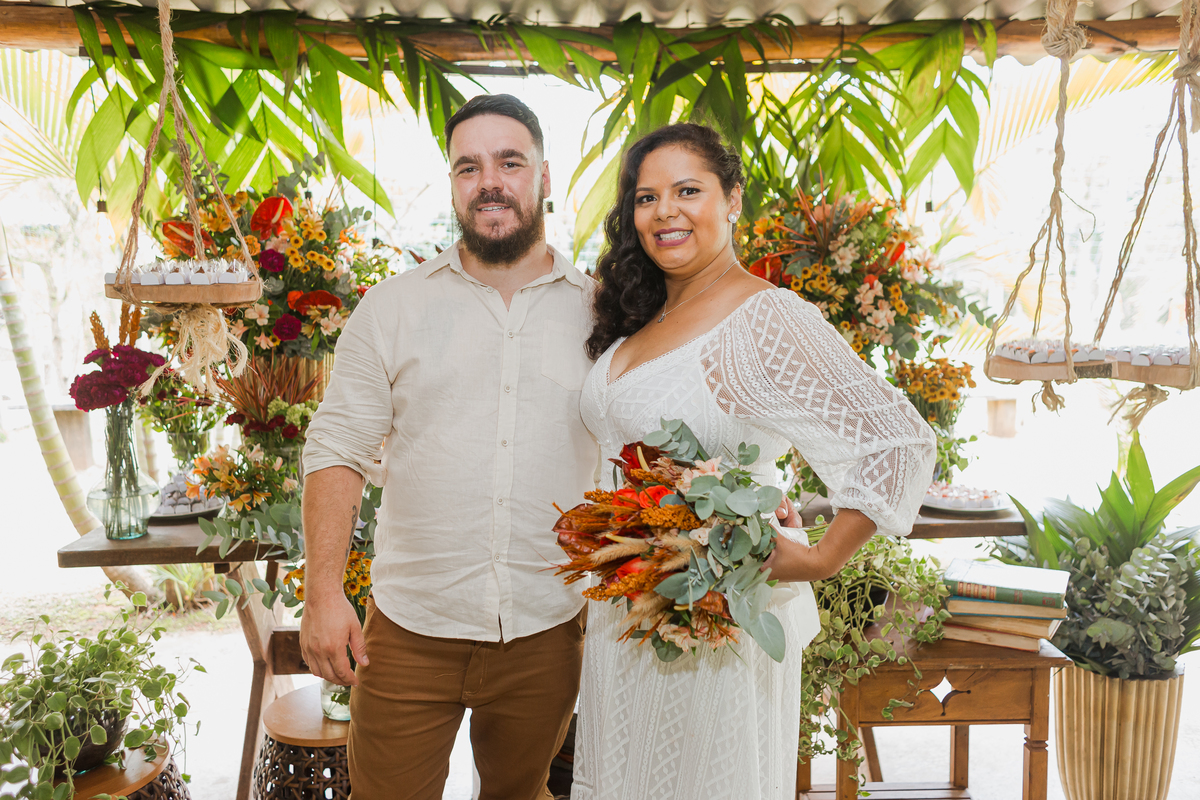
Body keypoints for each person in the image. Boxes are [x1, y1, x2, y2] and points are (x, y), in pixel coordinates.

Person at [571, 123, 937, 800]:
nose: (665, 211)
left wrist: (823, 557)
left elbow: (899, 442)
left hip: (718, 612)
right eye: (647, 197)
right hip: (628, 610)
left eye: (688, 190)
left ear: (733, 199)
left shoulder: (766, 319)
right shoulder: (639, 318)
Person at [299, 94, 599, 800]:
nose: (489, 181)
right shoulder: (394, 308)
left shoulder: (602, 310)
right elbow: (337, 445)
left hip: (546, 629)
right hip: (407, 632)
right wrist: (322, 593)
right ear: (454, 183)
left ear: (545, 177)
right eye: (469, 166)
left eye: (509, 161)